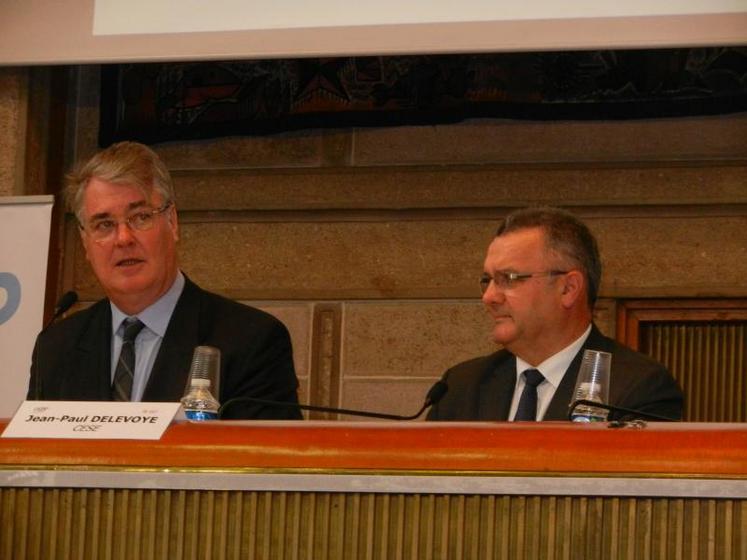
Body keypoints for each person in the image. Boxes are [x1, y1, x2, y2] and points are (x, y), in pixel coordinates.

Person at [28, 141, 302, 419]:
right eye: (104, 225)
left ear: (172, 222)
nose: (123, 238)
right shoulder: (56, 348)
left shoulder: (250, 341)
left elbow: (266, 459)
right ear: (85, 242)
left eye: (140, 217)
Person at [427, 206, 683, 422]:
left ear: (568, 289)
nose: (489, 297)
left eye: (509, 279)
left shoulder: (637, 388)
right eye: (488, 280)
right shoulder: (460, 387)